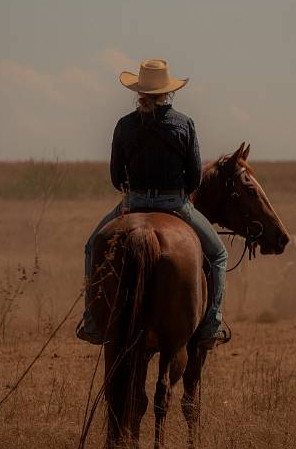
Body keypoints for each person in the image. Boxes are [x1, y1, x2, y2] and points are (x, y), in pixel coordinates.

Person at [77, 59, 229, 349]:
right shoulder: (185, 123)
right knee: (218, 254)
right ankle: (212, 324)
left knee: (91, 246)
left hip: (132, 202)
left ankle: (92, 322)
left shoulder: (124, 124)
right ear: (168, 92)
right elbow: (196, 176)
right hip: (176, 204)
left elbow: (114, 176)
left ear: (139, 92)